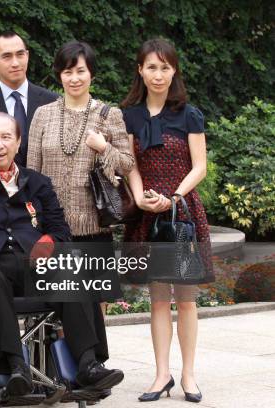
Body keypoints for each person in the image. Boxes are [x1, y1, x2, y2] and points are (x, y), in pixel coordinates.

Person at [0, 112, 124, 401]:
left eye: (6, 137)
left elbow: (60, 230)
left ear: (18, 143)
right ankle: (15, 370)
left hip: (35, 266)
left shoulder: (38, 183)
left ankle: (88, 365)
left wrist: (50, 240)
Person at [120, 38, 212, 403]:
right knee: (158, 300)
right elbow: (130, 165)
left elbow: (200, 166)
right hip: (147, 215)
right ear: (140, 70)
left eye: (165, 67)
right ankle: (161, 375)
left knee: (186, 300)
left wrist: (173, 197)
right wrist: (141, 196)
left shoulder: (190, 114)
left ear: (174, 71)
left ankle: (188, 375)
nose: (158, 74)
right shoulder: (129, 115)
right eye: (151, 67)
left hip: (182, 214)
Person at [27, 41, 134, 309]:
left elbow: (127, 164)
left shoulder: (110, 115)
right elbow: (31, 172)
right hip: (53, 228)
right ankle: (63, 354)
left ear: (92, 74)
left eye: (80, 71)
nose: (74, 78)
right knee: (60, 308)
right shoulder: (43, 115)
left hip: (95, 227)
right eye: (67, 72)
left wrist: (104, 147)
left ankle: (95, 354)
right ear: (59, 75)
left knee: (96, 309)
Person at [0, 31, 58, 167]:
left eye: (20, 54)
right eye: (7, 57)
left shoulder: (53, 102)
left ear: (27, 56)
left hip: (44, 185)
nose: (15, 63)